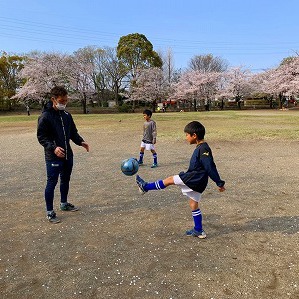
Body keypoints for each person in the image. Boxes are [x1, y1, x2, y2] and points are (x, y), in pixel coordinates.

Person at [136, 121, 225, 238]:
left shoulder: (203, 149)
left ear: (194, 135)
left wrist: (219, 182)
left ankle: (145, 187)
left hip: (194, 178)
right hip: (199, 182)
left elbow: (210, 166)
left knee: (169, 180)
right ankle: (198, 230)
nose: (186, 137)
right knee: (193, 204)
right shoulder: (202, 147)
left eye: (187, 135)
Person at [37, 86, 89, 224]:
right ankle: (49, 211)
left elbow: (73, 132)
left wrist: (81, 142)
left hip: (67, 155)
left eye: (66, 101)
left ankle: (64, 203)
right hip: (53, 156)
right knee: (52, 182)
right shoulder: (45, 116)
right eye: (61, 101)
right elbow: (42, 137)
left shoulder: (67, 115)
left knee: (65, 179)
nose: (64, 103)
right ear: (53, 99)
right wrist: (53, 148)